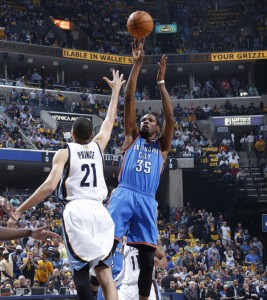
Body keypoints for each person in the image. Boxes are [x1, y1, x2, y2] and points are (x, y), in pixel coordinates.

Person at [7, 70, 126, 300]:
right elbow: (109, 122)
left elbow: (50, 186)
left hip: (77, 210)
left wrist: (20, 209)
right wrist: (116, 91)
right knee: (104, 272)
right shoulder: (98, 146)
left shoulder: (64, 152)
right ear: (91, 135)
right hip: (101, 212)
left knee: (80, 270)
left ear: (72, 134)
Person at [108, 39, 174, 299]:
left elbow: (170, 117)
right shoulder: (130, 138)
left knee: (147, 258)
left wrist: (161, 83)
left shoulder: (163, 146)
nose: (145, 121)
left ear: (156, 128)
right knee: (108, 244)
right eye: (143, 119)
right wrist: (137, 64)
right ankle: (93, 286)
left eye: (150, 120)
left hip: (147, 200)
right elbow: (128, 97)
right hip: (125, 193)